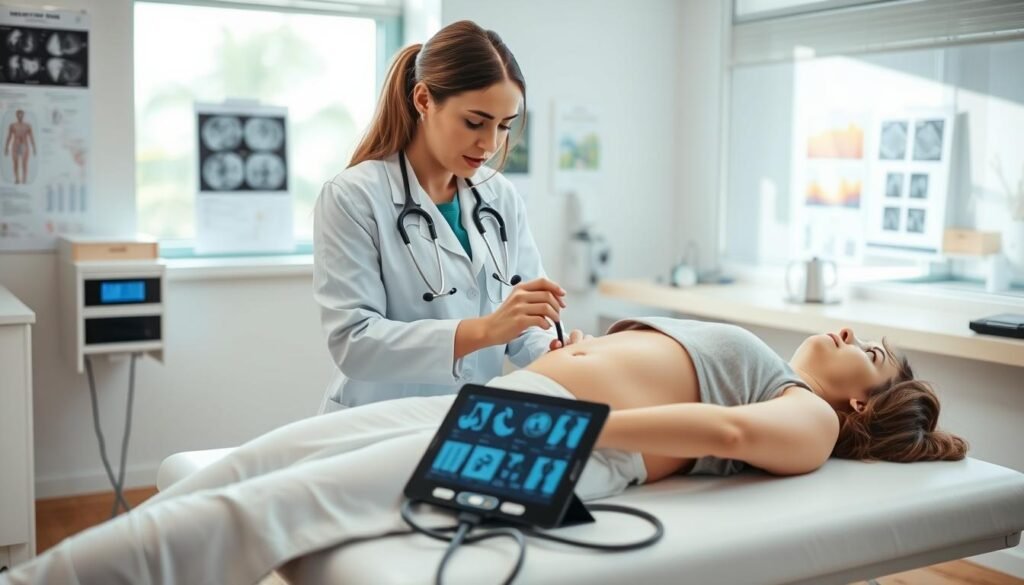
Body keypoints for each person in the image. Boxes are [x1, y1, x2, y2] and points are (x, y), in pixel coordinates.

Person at [0, 319, 967, 585]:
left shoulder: (806, 415)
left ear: (859, 402)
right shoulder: (778, 367)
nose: (848, 333)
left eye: (869, 351)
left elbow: (721, 433)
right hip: (525, 403)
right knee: (263, 458)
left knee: (271, 510)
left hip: (553, 442)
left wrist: (577, 423)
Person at [314, 20, 587, 414]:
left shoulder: (500, 197)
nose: (490, 144)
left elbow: (523, 322)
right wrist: (485, 330)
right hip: (377, 421)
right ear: (424, 100)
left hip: (469, 419)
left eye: (504, 127)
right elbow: (355, 343)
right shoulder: (353, 197)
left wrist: (555, 350)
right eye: (474, 122)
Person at [4, 110, 36, 185]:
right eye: (19, 115)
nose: (20, 116)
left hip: (24, 144)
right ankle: (17, 179)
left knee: (24, 163)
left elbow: (31, 137)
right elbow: (9, 137)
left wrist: (34, 147)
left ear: (23, 115)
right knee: (15, 163)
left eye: (21, 115)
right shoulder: (13, 125)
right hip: (16, 144)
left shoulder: (28, 125)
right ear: (16, 115)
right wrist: (6, 147)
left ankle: (24, 179)